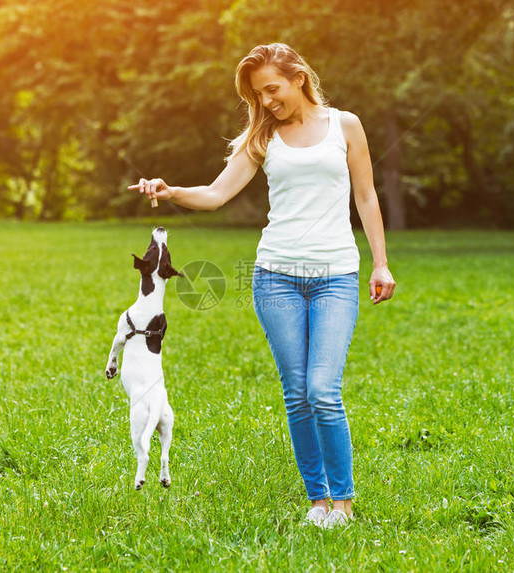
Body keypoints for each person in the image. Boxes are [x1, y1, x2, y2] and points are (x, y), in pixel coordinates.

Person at [130, 43, 396, 528]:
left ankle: (345, 503)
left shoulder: (346, 126)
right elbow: (215, 194)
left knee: (323, 388)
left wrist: (380, 263)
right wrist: (171, 192)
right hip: (275, 276)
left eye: (272, 89)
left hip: (336, 275)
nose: (267, 101)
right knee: (297, 393)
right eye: (259, 95)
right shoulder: (262, 135)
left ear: (298, 76)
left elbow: (366, 195)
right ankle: (319, 502)